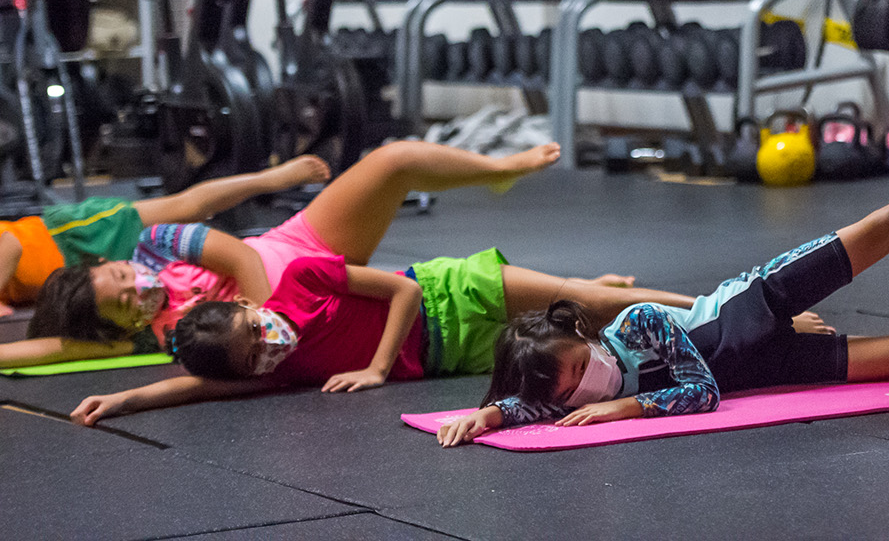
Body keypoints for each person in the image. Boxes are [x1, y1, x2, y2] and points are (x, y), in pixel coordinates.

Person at [434, 163, 889, 446]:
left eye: (579, 366)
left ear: (583, 337)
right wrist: (487, 415)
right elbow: (533, 405)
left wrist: (626, 403)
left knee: (877, 230)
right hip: (763, 365)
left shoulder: (638, 324)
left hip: (752, 304)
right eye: (570, 385)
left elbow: (700, 388)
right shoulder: (564, 391)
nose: (581, 386)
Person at [12, 141, 617, 371]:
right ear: (116, 326)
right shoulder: (146, 338)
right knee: (495, 319)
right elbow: (46, 348)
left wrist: (272, 315)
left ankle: (498, 170)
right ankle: (576, 288)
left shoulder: (156, 247)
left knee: (393, 161)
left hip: (300, 250)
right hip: (315, 304)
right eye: (125, 299)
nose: (135, 285)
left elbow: (239, 259)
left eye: (121, 274)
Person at [0, 155, 330, 320]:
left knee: (184, 207)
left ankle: (267, 179)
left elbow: (10, 246)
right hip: (87, 287)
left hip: (75, 240)